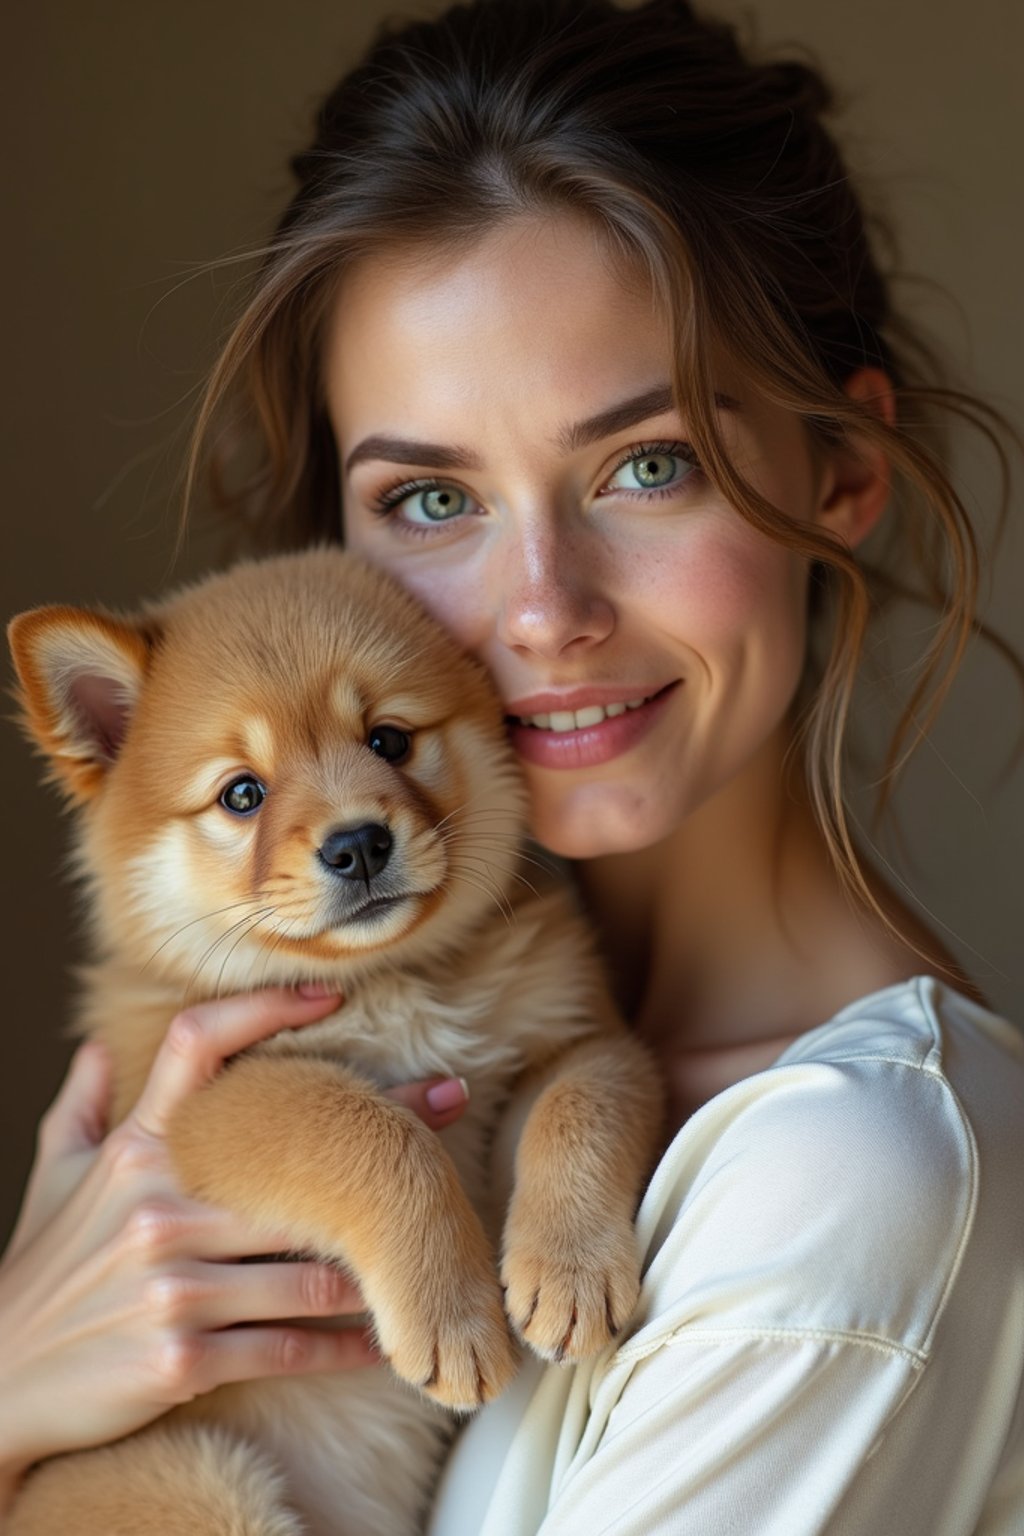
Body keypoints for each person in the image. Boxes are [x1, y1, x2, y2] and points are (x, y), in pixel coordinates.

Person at [2, 0, 1023, 1529]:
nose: (543, 611)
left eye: (647, 463)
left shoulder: (849, 1189)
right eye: (429, 499)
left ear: (847, 472)